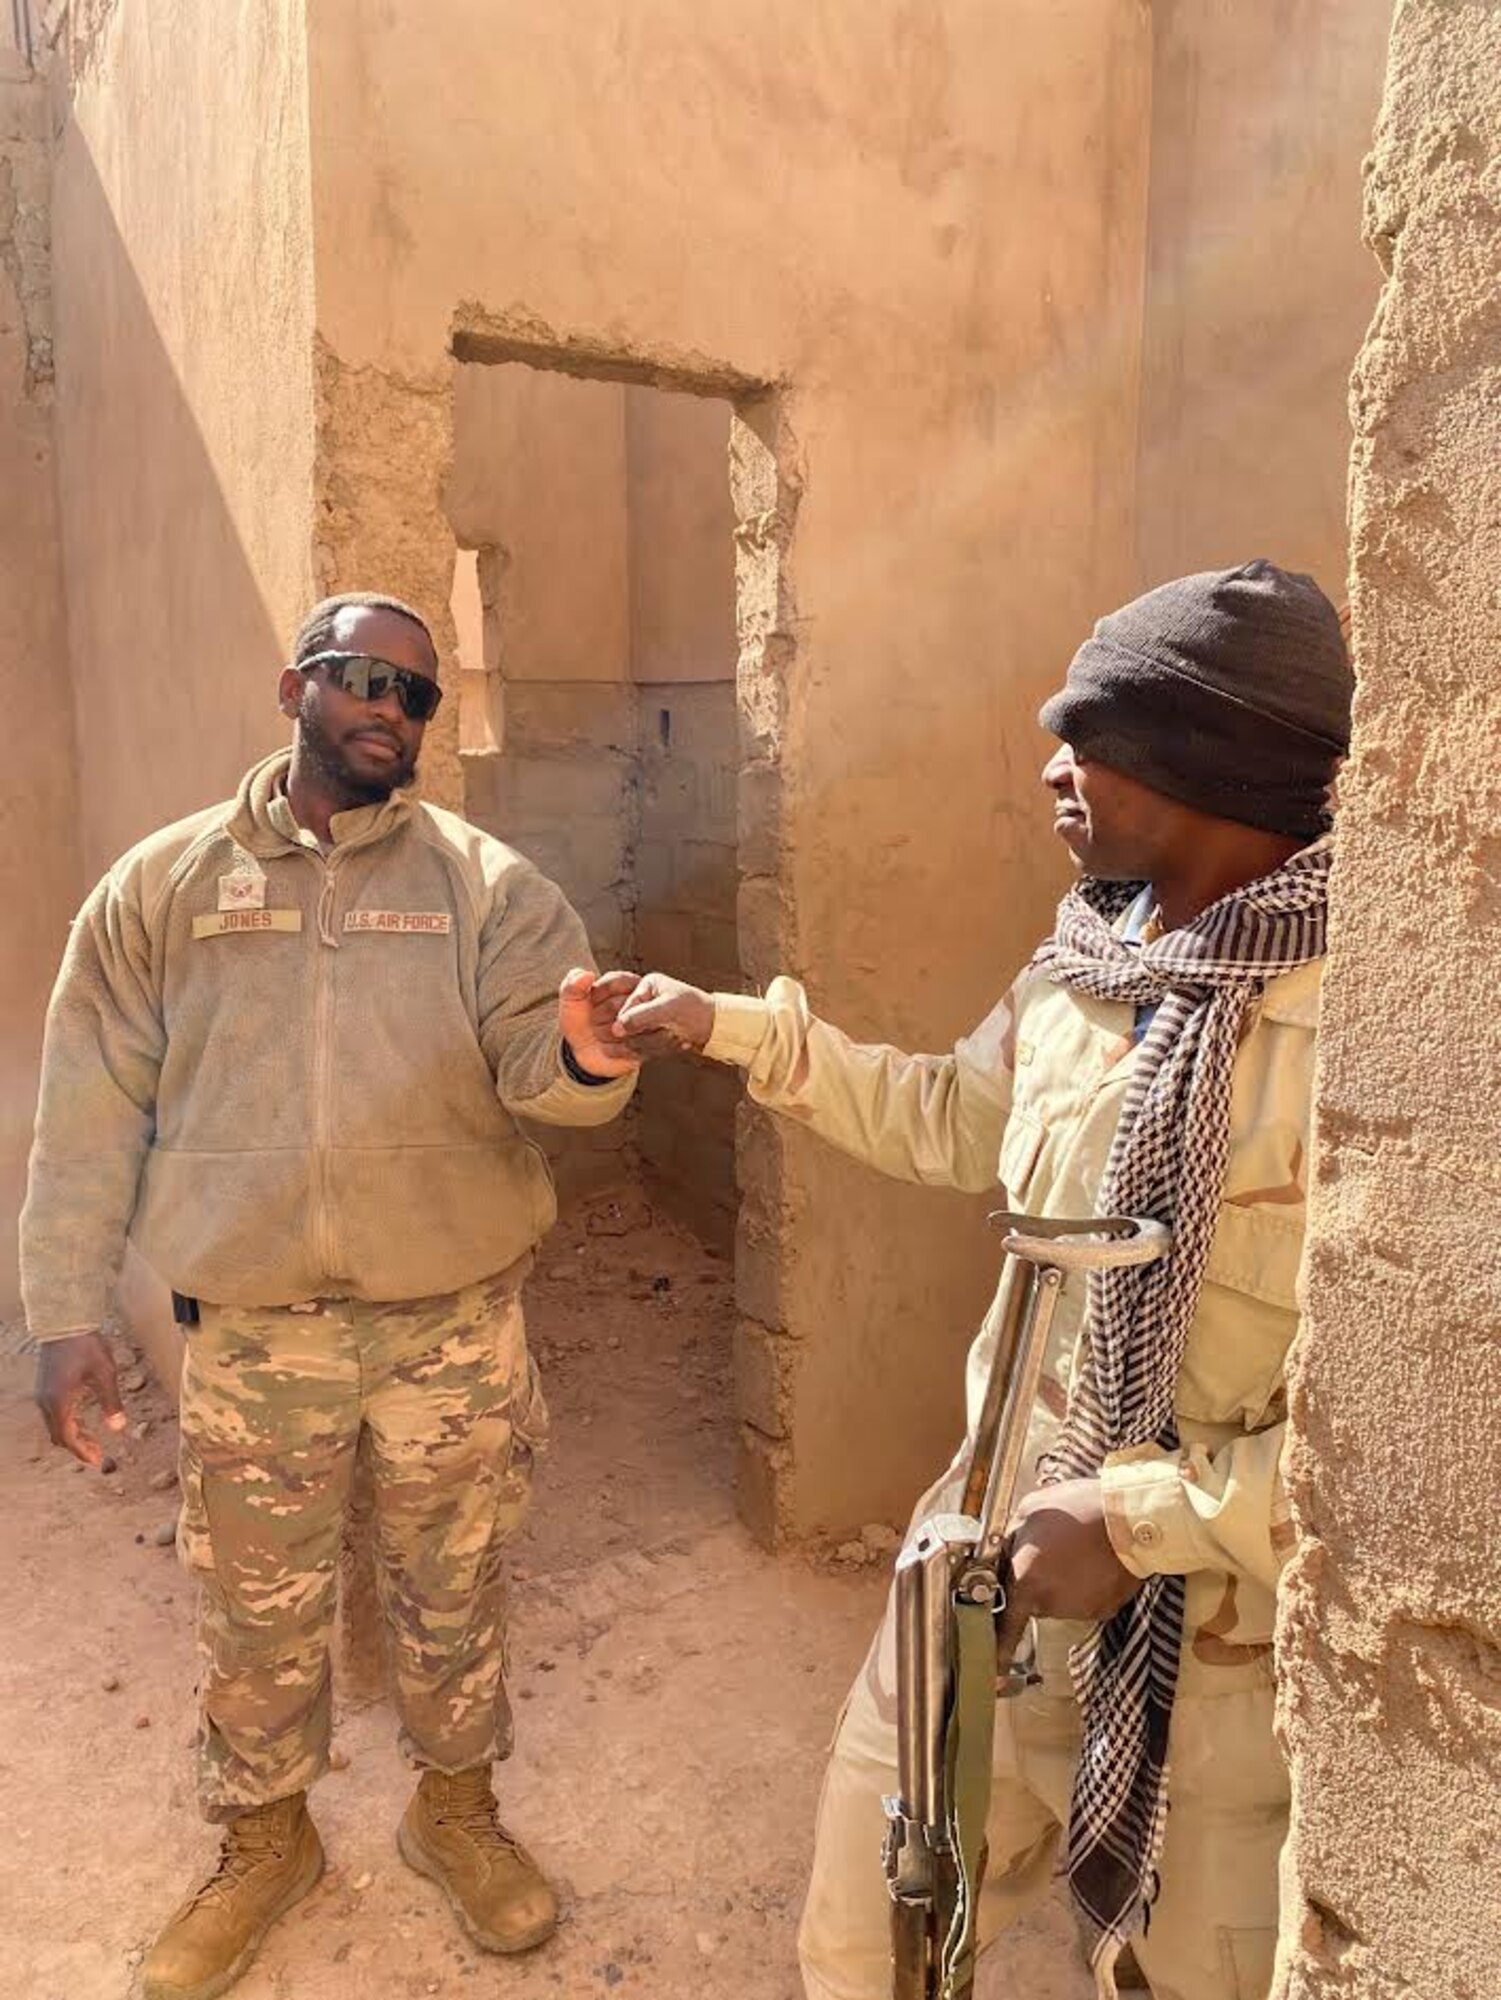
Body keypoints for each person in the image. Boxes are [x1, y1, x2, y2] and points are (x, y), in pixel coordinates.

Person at [610, 561, 1352, 2000]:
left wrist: (1140, 1521)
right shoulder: (1086, 966)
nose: (1051, 768)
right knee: (872, 1933)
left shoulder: (1374, 1041)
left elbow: (1409, 1455)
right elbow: (956, 1118)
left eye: (1091, 735)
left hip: (1212, 1654)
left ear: (1201, 761)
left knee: (1172, 1970)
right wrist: (735, 1032)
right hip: (985, 1567)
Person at [22, 592, 641, 2000]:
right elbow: (88, 1111)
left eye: (417, 696)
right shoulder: (162, 888)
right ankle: (263, 1841)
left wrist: (592, 1062)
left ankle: (456, 1814)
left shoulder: (490, 887)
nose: (392, 710)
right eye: (368, 680)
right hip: (253, 1334)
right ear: (296, 684)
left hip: (450, 1325)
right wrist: (63, 1314)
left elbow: (543, 1079)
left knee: (453, 1587)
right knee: (252, 1606)